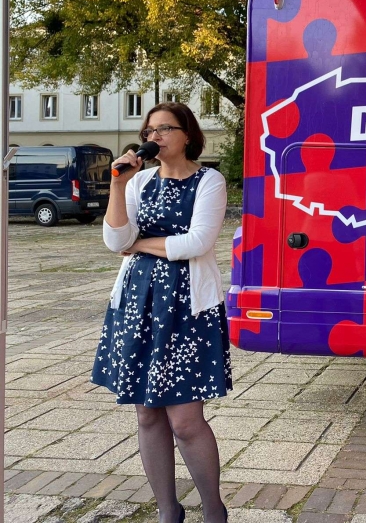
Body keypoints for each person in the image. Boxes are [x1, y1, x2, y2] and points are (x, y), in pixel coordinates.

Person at [91, 102, 231, 523]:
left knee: (186, 421)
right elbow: (115, 240)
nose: (154, 137)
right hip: (138, 303)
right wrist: (118, 185)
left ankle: (214, 509)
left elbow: (197, 242)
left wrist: (139, 244)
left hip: (188, 307)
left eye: (165, 128)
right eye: (149, 131)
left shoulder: (209, 180)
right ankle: (168, 510)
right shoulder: (139, 181)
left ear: (188, 134)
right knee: (147, 414)